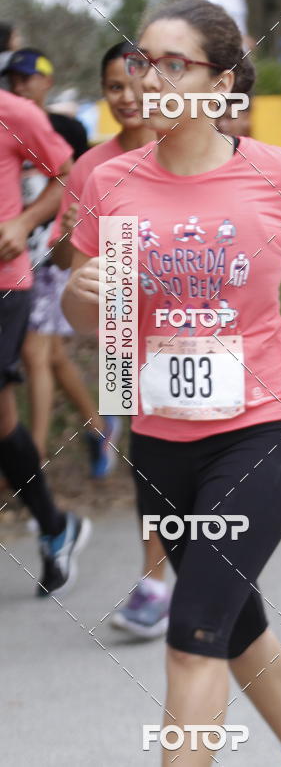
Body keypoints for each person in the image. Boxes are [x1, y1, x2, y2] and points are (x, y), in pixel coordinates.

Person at [62, 0, 281, 766]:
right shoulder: (111, 184)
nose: (147, 81)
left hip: (260, 433)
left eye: (171, 64)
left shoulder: (277, 172)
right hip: (160, 441)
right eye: (139, 62)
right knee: (233, 617)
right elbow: (98, 316)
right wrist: (77, 297)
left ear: (221, 80)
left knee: (192, 637)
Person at [50, 40, 169, 639]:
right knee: (149, 462)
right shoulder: (92, 168)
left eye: (137, 83)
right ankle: (155, 582)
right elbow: (70, 261)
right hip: (125, 336)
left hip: (198, 330)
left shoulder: (190, 151)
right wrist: (70, 237)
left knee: (203, 459)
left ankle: (210, 566)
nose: (128, 98)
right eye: (114, 87)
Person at [3, 47, 118, 474]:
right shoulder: (6, 123)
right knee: (48, 356)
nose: (20, 85)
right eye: (14, 78)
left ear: (47, 82)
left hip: (51, 257)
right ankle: (98, 425)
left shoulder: (64, 128)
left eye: (29, 77)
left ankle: (31, 460)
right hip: (20, 258)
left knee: (37, 354)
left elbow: (75, 182)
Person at [0, 88, 91, 596]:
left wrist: (25, 220)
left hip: (4, 283)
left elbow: (66, 172)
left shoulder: (13, 112)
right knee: (3, 422)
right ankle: (56, 526)